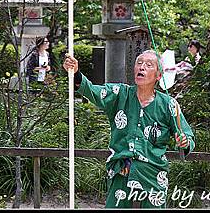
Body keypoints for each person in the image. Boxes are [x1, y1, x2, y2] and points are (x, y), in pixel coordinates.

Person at [63, 49, 195, 209]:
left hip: (153, 172)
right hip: (122, 169)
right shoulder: (120, 93)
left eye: (148, 65)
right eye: (139, 63)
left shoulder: (169, 104)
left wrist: (184, 141)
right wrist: (76, 73)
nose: (142, 67)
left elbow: (187, 136)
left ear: (158, 75)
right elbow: (93, 92)